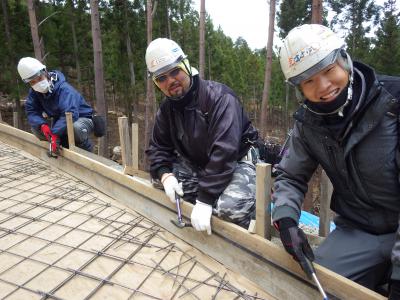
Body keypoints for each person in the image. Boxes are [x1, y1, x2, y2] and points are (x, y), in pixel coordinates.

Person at [272, 24, 400, 298]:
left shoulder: (393, 103)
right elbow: (290, 176)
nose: (324, 87)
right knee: (316, 291)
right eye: (309, 81)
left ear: (344, 60)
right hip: (359, 229)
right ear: (298, 88)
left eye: (328, 71)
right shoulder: (308, 124)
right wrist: (285, 219)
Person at [145, 38, 260, 235]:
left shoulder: (219, 98)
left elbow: (225, 152)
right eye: (161, 78)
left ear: (187, 66)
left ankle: (250, 205)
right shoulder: (167, 110)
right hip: (202, 165)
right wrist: (165, 175)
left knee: (229, 209)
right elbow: (158, 148)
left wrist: (205, 200)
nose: (170, 81)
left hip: (238, 161)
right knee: (160, 181)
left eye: (175, 71)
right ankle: (210, 195)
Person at [17, 57, 94, 155]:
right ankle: (59, 146)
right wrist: (42, 125)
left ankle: (85, 149)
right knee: (36, 129)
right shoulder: (34, 93)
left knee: (74, 128)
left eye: (39, 78)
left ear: (45, 72)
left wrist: (55, 133)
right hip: (62, 122)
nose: (38, 84)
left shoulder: (64, 89)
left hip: (81, 118)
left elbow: (70, 113)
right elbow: (32, 111)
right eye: (33, 82)